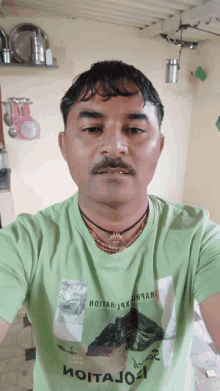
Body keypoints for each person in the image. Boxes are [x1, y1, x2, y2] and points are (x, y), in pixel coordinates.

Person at [0, 60, 220, 391]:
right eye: (92, 129)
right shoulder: (25, 242)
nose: (115, 145)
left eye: (134, 130)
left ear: (158, 147)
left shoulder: (197, 237)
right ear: (64, 146)